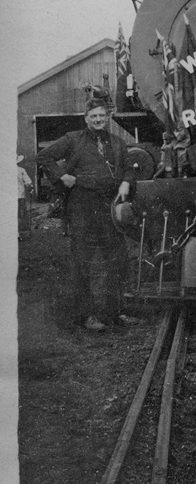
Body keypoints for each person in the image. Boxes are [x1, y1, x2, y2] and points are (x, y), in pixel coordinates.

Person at [36, 100, 138, 332]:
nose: (98, 120)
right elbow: (44, 157)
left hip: (110, 208)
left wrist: (125, 182)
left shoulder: (118, 142)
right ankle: (86, 316)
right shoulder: (73, 139)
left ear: (107, 117)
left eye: (102, 115)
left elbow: (131, 167)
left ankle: (116, 312)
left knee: (118, 259)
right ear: (86, 118)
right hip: (81, 207)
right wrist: (62, 176)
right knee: (83, 262)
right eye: (93, 116)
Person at [17, 155, 32, 236]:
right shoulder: (21, 170)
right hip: (20, 195)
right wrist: (30, 188)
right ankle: (19, 231)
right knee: (20, 213)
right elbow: (28, 182)